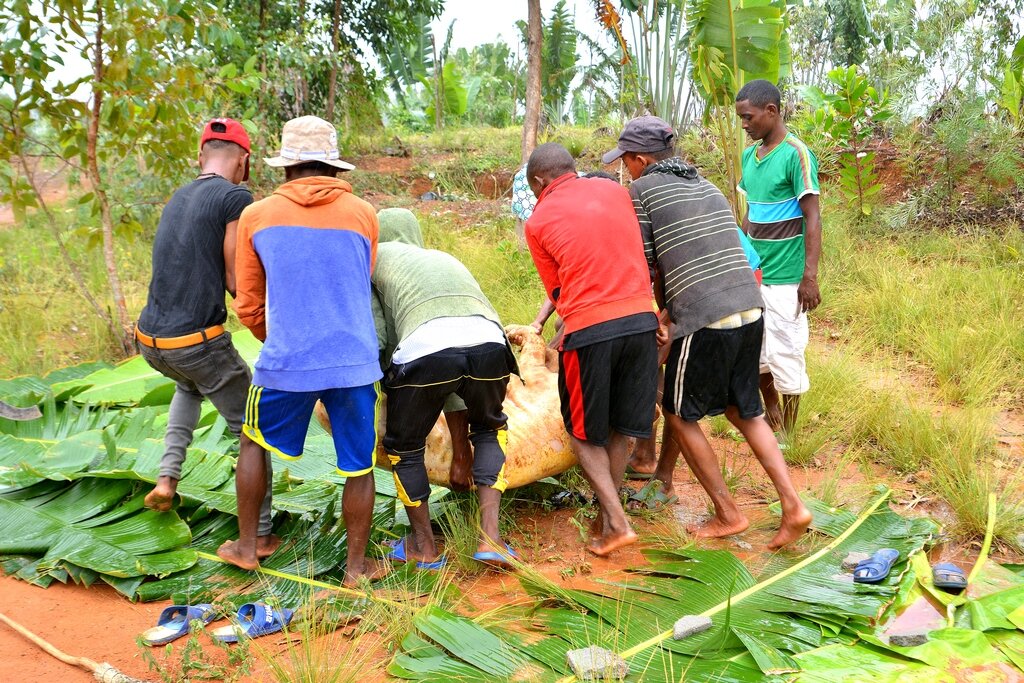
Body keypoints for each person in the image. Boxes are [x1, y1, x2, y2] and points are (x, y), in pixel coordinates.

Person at [605, 115, 811, 548]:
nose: (625, 169)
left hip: (703, 314)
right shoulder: (706, 183)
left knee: (680, 415)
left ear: (640, 159)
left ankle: (728, 513)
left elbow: (647, 265)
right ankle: (794, 507)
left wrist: (657, 320)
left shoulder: (640, 192)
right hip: (751, 306)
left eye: (626, 161)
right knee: (745, 411)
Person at [216, 116, 385, 586]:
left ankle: (248, 546)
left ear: (287, 166)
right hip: (354, 359)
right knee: (360, 462)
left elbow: (249, 302)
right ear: (333, 166)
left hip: (287, 359)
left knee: (252, 440)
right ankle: (356, 568)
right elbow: (360, 279)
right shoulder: (363, 214)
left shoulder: (257, 215)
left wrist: (283, 338)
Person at [135, 118, 277, 557]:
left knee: (187, 384)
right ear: (244, 161)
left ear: (200, 156)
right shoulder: (235, 196)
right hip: (197, 343)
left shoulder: (179, 195)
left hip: (151, 341)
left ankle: (166, 478)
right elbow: (237, 278)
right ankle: (261, 534)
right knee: (253, 428)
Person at [524, 142, 662, 557]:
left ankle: (617, 522)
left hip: (590, 330)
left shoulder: (538, 220)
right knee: (619, 428)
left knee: (583, 435)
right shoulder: (617, 192)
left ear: (538, 181)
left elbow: (558, 291)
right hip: (643, 320)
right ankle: (607, 518)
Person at [371, 208, 520, 568]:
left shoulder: (372, 262)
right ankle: (491, 539)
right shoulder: (440, 257)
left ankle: (424, 546)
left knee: (404, 449)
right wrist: (461, 452)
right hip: (490, 342)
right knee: (488, 429)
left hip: (425, 346)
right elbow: (458, 369)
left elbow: (378, 340)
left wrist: (382, 402)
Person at [735, 80, 822, 438]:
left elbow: (813, 217)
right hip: (754, 272)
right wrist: (739, 258)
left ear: (771, 111)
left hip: (786, 276)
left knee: (786, 350)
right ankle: (770, 411)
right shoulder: (749, 156)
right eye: (741, 118)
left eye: (748, 117)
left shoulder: (795, 154)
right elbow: (750, 214)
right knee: (752, 350)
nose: (744, 125)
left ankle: (788, 431)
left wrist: (810, 276)